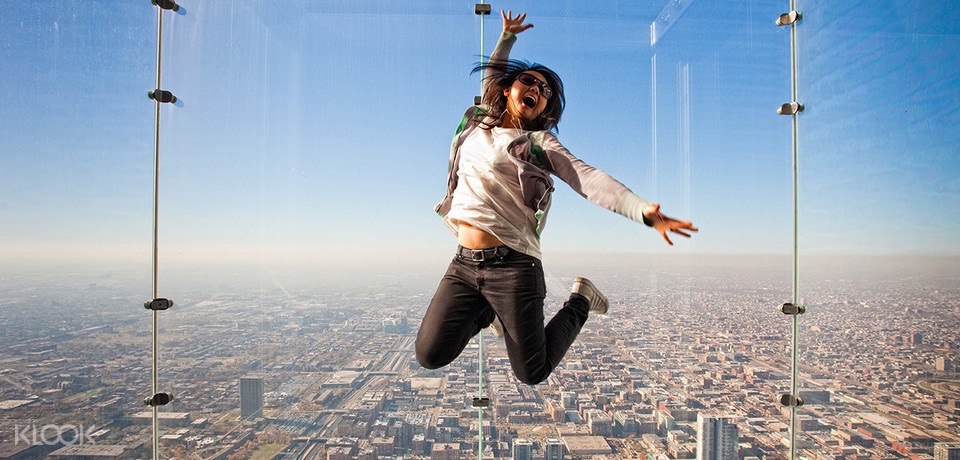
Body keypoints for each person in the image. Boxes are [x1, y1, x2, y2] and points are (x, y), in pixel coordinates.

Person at [415, 11, 697, 385]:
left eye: (545, 91)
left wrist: (643, 211)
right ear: (506, 88)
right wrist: (507, 38)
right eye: (528, 81)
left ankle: (581, 299)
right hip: (464, 264)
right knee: (430, 354)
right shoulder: (477, 124)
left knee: (532, 372)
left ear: (546, 108)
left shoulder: (537, 144)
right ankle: (489, 312)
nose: (536, 90)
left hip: (515, 267)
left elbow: (587, 178)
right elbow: (492, 74)